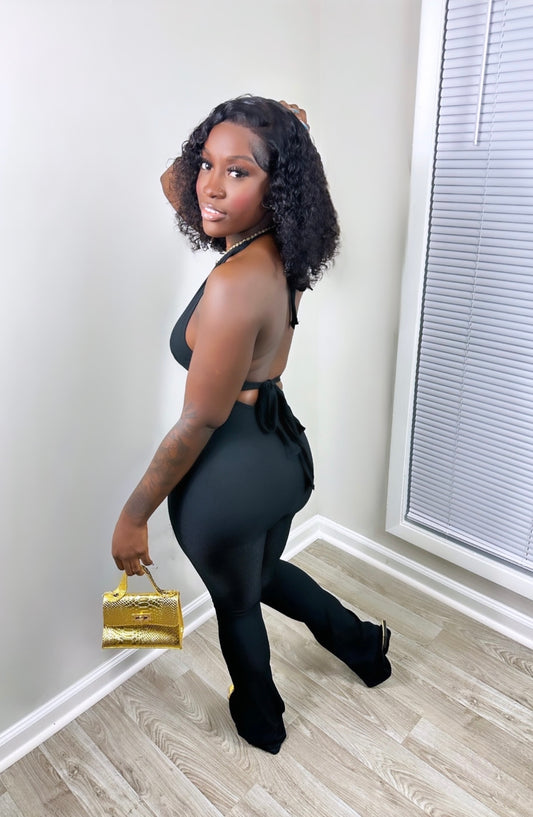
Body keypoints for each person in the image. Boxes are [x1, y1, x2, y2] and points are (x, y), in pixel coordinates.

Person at [111, 95, 391, 754]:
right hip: (282, 458)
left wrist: (133, 516)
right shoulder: (284, 248)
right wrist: (281, 138)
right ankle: (359, 643)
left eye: (237, 171)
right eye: (207, 163)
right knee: (262, 576)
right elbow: (177, 184)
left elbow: (197, 422)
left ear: (276, 187)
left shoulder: (235, 282)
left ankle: (262, 721)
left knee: (237, 604)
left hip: (228, 480)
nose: (208, 187)